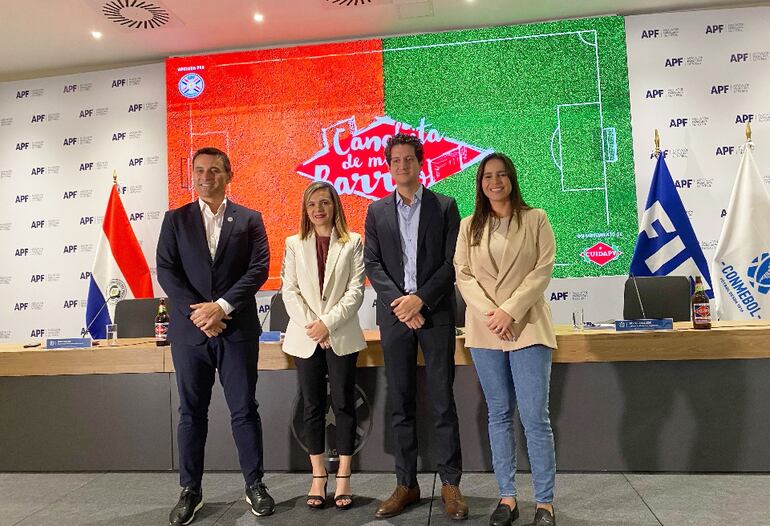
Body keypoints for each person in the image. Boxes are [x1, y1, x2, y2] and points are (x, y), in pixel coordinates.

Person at [157, 147, 274, 525]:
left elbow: (258, 269)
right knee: (191, 413)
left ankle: (255, 484)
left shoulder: (250, 219)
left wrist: (220, 308)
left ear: (229, 175)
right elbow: (167, 271)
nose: (206, 176)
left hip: (236, 330)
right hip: (190, 334)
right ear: (192, 175)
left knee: (244, 410)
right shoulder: (175, 220)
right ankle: (190, 490)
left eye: (214, 170)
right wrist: (200, 312)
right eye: (200, 170)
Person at [364, 133, 468, 520]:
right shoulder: (376, 212)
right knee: (401, 402)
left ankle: (451, 485)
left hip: (436, 312)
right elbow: (373, 264)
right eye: (396, 160)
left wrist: (420, 300)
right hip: (395, 316)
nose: (402, 166)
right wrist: (403, 305)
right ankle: (406, 484)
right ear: (388, 166)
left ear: (419, 163)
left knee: (442, 399)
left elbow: (450, 263)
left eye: (409, 159)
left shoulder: (445, 206)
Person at [453, 152, 558, 526]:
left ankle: (544, 503)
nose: (494, 182)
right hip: (485, 331)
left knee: (534, 417)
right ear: (480, 185)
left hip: (527, 326)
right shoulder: (469, 226)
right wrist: (491, 315)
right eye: (486, 177)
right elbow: (464, 276)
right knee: (498, 415)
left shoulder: (536, 219)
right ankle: (507, 497)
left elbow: (541, 271)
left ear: (511, 179)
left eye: (500, 175)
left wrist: (509, 311)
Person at [280, 181, 366, 510]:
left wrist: (327, 324)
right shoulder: (294, 243)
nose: (318, 209)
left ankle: (343, 474)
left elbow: (355, 292)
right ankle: (318, 474)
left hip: (341, 334)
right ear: (306, 209)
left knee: (344, 404)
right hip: (307, 337)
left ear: (335, 207)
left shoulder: (353, 241)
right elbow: (290, 291)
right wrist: (314, 327)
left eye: (325, 203)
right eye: (312, 204)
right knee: (312, 406)